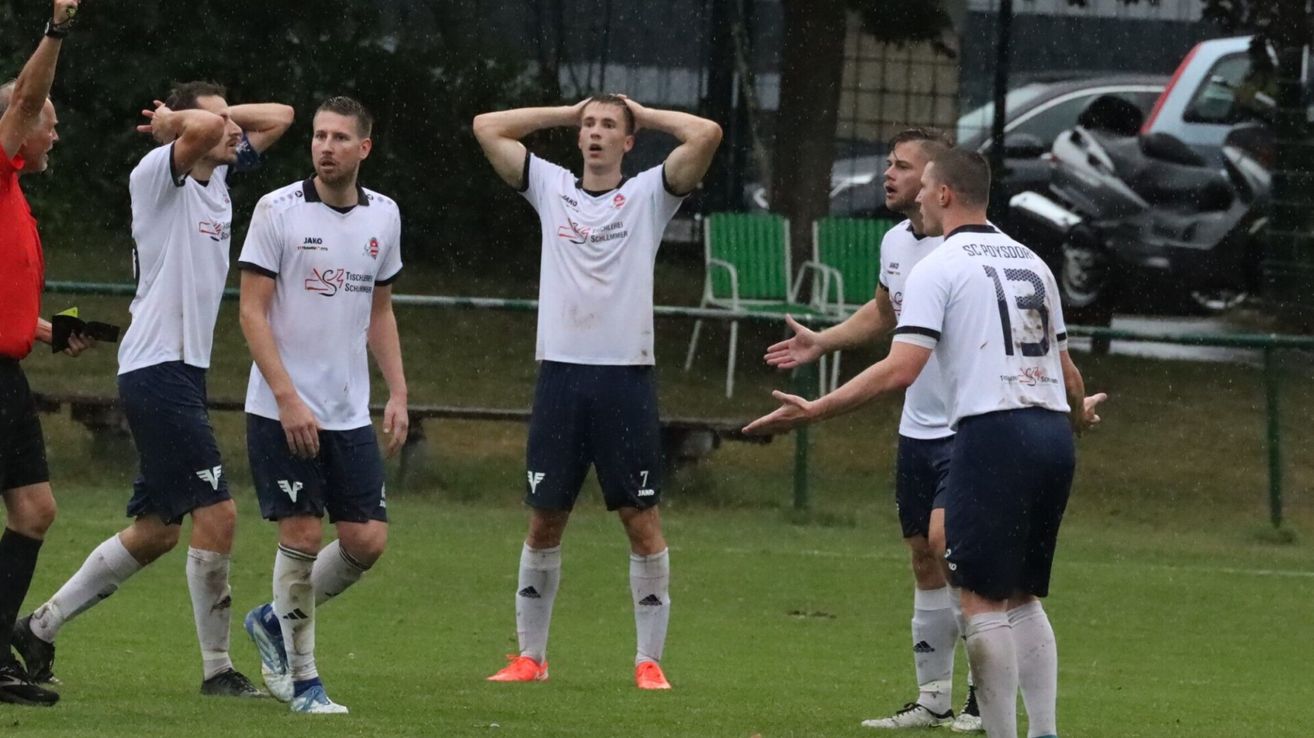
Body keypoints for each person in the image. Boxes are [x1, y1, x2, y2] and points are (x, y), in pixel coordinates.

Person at [745, 148, 1106, 738]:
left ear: (943, 194)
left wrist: (817, 410)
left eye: (924, 187)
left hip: (995, 436)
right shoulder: (1032, 261)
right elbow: (1069, 376)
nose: (914, 196)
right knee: (1022, 595)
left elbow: (899, 370)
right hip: (1049, 438)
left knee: (981, 600)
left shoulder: (938, 267)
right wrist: (1074, 418)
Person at [11, 81, 293, 698]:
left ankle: (39, 625)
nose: (232, 134)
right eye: (217, 125)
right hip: (156, 369)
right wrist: (183, 124)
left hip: (179, 373)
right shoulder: (155, 174)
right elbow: (195, 136)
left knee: (159, 529)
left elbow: (282, 114)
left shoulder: (216, 178)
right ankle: (218, 671)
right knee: (217, 513)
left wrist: (209, 116)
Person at [472, 94, 721, 689]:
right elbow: (487, 124)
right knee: (544, 520)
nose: (596, 133)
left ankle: (648, 661)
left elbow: (706, 134)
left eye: (610, 126)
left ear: (629, 141)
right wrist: (568, 110)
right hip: (560, 374)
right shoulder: (550, 186)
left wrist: (643, 112)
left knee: (641, 518)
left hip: (625, 376)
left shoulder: (649, 195)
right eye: (590, 125)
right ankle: (531, 658)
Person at [763, 128, 985, 732]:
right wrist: (824, 339)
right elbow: (886, 312)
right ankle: (933, 698)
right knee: (922, 556)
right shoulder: (895, 241)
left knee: (958, 555)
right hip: (918, 428)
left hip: (969, 427)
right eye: (888, 163)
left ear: (937, 182)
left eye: (902, 165)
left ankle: (983, 700)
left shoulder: (967, 252)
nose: (888, 174)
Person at [236, 96, 407, 715]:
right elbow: (250, 311)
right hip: (282, 407)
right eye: (318, 136)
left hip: (347, 409)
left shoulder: (384, 216)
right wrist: (286, 397)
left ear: (364, 148)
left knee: (367, 540)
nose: (325, 146)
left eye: (339, 138)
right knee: (303, 533)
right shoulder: (276, 210)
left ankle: (272, 618)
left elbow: (379, 311)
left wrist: (397, 392)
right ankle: (305, 682)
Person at [0, 0, 91, 707]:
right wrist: (56, 29)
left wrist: (57, 331)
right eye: (50, 125)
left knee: (35, 510)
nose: (55, 136)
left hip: (8, 374)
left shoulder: (18, 199)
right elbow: (27, 92)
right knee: (32, 509)